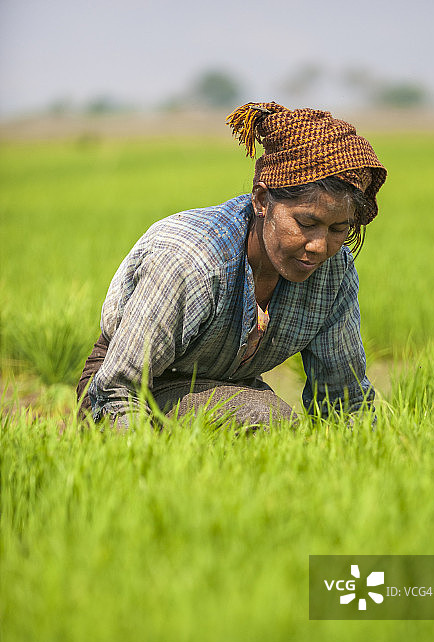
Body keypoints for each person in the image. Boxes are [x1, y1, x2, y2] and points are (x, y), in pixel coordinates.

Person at [76, 102, 387, 430]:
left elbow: (344, 400)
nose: (319, 246)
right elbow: (117, 390)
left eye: (339, 229)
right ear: (262, 200)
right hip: (129, 388)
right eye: (306, 223)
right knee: (266, 422)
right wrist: (137, 465)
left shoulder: (333, 271)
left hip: (230, 388)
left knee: (273, 429)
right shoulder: (190, 261)